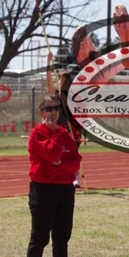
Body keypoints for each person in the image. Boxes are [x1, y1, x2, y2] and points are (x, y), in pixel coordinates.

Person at [26, 96, 85, 257]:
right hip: (43, 190)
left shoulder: (64, 134)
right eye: (48, 109)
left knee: (62, 238)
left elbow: (75, 161)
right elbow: (52, 155)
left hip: (64, 189)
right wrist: (54, 136)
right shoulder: (37, 134)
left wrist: (62, 165)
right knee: (39, 237)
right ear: (41, 112)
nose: (53, 112)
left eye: (56, 109)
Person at [46, 53, 83, 189]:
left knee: (72, 155)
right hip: (57, 129)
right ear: (59, 81)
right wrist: (48, 63)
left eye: (67, 81)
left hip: (71, 129)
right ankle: (56, 178)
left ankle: (75, 178)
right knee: (55, 155)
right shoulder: (55, 94)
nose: (64, 83)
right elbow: (49, 84)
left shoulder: (73, 95)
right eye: (62, 80)